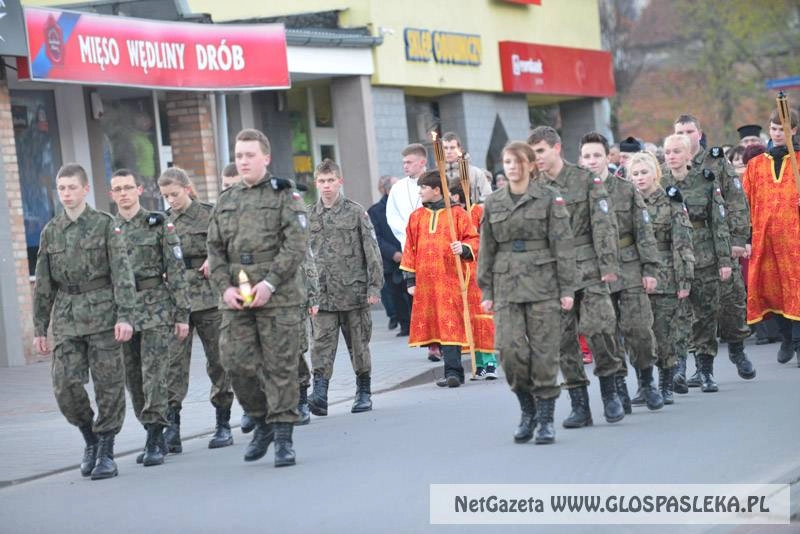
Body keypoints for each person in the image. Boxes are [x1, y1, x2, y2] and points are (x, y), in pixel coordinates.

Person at [207, 128, 309, 467]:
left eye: (250, 155)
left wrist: (270, 283)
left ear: (266, 157)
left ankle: (283, 437)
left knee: (281, 366)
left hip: (277, 296)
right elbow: (214, 250)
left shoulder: (284, 194)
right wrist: (224, 287)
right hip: (236, 296)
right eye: (239, 156)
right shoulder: (226, 200)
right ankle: (260, 418)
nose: (244, 161)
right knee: (235, 362)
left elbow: (296, 244)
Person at [33, 163, 136, 480]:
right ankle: (90, 438)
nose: (66, 194)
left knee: (108, 387)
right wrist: (40, 328)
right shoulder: (51, 230)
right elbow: (43, 283)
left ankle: (106, 450)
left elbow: (122, 273)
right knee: (64, 385)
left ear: (85, 189)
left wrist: (126, 316)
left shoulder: (105, 224)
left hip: (104, 316)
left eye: (72, 187)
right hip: (67, 318)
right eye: (61, 188)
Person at [478, 141, 576, 444]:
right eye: (507, 161)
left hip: (543, 285)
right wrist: (486, 289)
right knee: (509, 351)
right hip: (506, 286)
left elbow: (563, 245)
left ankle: (545, 419)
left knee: (545, 352)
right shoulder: (494, 202)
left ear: (531, 166)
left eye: (518, 161)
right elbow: (487, 248)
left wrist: (567, 287)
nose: (512, 167)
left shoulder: (548, 198)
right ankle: (527, 408)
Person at [528, 126, 624, 427]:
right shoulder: (533, 187)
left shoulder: (585, 180)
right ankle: (579, 404)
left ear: (556, 148)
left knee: (599, 329)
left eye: (541, 151)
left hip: (589, 268)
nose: (536, 157)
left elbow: (604, 225)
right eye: (532, 153)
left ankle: (610, 392)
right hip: (553, 275)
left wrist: (608, 265)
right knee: (563, 340)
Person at [110, 169, 191, 467]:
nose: (123, 193)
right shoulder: (108, 228)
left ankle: (156, 437)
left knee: (155, 373)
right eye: (118, 189)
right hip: (124, 313)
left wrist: (182, 315)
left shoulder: (158, 224)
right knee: (133, 378)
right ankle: (150, 428)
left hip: (156, 308)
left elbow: (176, 271)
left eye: (128, 187)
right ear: (111, 194)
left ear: (139, 190)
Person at [580, 132, 663, 413]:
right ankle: (618, 386)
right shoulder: (576, 195)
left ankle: (647, 381)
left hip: (628, 266)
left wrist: (649, 268)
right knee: (604, 333)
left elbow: (644, 231)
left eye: (597, 155)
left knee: (638, 328)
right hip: (594, 271)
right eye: (587, 156)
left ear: (608, 157)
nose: (592, 161)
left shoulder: (625, 190)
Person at [673, 115, 755, 384]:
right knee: (693, 309)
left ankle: (737, 350)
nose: (685, 136)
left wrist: (738, 239)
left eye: (689, 131)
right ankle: (699, 365)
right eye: (679, 132)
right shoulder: (670, 166)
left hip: (719, 241)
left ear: (699, 133)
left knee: (732, 299)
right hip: (686, 246)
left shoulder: (716, 161)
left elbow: (736, 201)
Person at [158, 167, 234, 453]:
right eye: (166, 196)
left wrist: (214, 258)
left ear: (187, 189)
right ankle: (172, 427)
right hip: (177, 301)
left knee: (218, 361)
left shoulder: (209, 214)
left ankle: (223, 422)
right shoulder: (162, 221)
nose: (171, 200)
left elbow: (230, 244)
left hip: (209, 297)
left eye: (174, 194)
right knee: (173, 365)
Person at [306, 159, 383, 416]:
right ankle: (320, 395)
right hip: (322, 296)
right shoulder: (308, 215)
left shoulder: (355, 212)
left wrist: (374, 287)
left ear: (340, 182)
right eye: (322, 181)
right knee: (320, 345)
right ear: (316, 183)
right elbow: (301, 257)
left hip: (354, 293)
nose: (326, 186)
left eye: (331, 180)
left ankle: (363, 392)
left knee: (359, 345)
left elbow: (371, 250)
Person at [661, 133, 731, 393]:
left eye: (677, 151)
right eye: (667, 152)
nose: (671, 156)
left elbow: (718, 223)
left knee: (705, 314)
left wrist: (724, 259)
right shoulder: (659, 182)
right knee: (677, 315)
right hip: (672, 259)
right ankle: (678, 368)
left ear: (688, 154)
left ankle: (705, 370)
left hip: (703, 255)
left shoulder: (705, 181)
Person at [400, 170, 479, 388]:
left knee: (449, 323)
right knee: (436, 325)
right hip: (426, 282)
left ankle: (453, 372)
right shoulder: (416, 217)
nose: (420, 192)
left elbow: (473, 239)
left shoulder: (458, 214)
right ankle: (450, 371)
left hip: (450, 279)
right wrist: (410, 280)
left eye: (423, 188)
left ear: (436, 190)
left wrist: (463, 247)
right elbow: (410, 249)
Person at [630, 152, 695, 405]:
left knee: (664, 333)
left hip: (665, 275)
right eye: (635, 174)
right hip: (634, 277)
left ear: (655, 173)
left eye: (644, 172)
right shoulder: (627, 203)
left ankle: (665, 384)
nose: (639, 178)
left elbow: (682, 243)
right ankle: (643, 385)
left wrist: (684, 280)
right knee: (637, 335)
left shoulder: (670, 201)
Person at [742, 107, 800, 365]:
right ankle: (786, 337)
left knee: (796, 289)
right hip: (764, 239)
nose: (777, 134)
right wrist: (745, 238)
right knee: (770, 291)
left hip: (795, 240)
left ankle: (798, 343)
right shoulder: (755, 165)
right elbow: (744, 203)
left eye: (783, 129)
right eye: (774, 129)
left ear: (793, 131)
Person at [386, 143, 441, 361]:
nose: (405, 166)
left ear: (422, 162)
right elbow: (392, 216)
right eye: (403, 163)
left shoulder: (435, 183)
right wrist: (408, 236)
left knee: (440, 296)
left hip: (436, 249)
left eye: (409, 162)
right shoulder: (398, 188)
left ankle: (448, 340)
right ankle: (432, 344)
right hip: (411, 249)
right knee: (422, 298)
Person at [450, 183, 497, 380]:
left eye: (452, 196)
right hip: (461, 273)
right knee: (468, 320)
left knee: (482, 317)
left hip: (479, 268)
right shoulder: (451, 215)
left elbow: (486, 238)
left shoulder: (477, 211)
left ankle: (490, 362)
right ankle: (478, 364)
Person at [368, 175, 410, 336]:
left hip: (409, 255)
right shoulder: (375, 211)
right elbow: (375, 237)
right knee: (396, 294)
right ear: (387, 190)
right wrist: (393, 253)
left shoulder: (407, 206)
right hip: (391, 261)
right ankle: (404, 324)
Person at [442, 131, 493, 202]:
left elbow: (488, 197)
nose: (448, 151)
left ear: (459, 149)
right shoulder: (438, 175)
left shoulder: (476, 173)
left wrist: (476, 207)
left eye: (452, 148)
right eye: (445, 148)